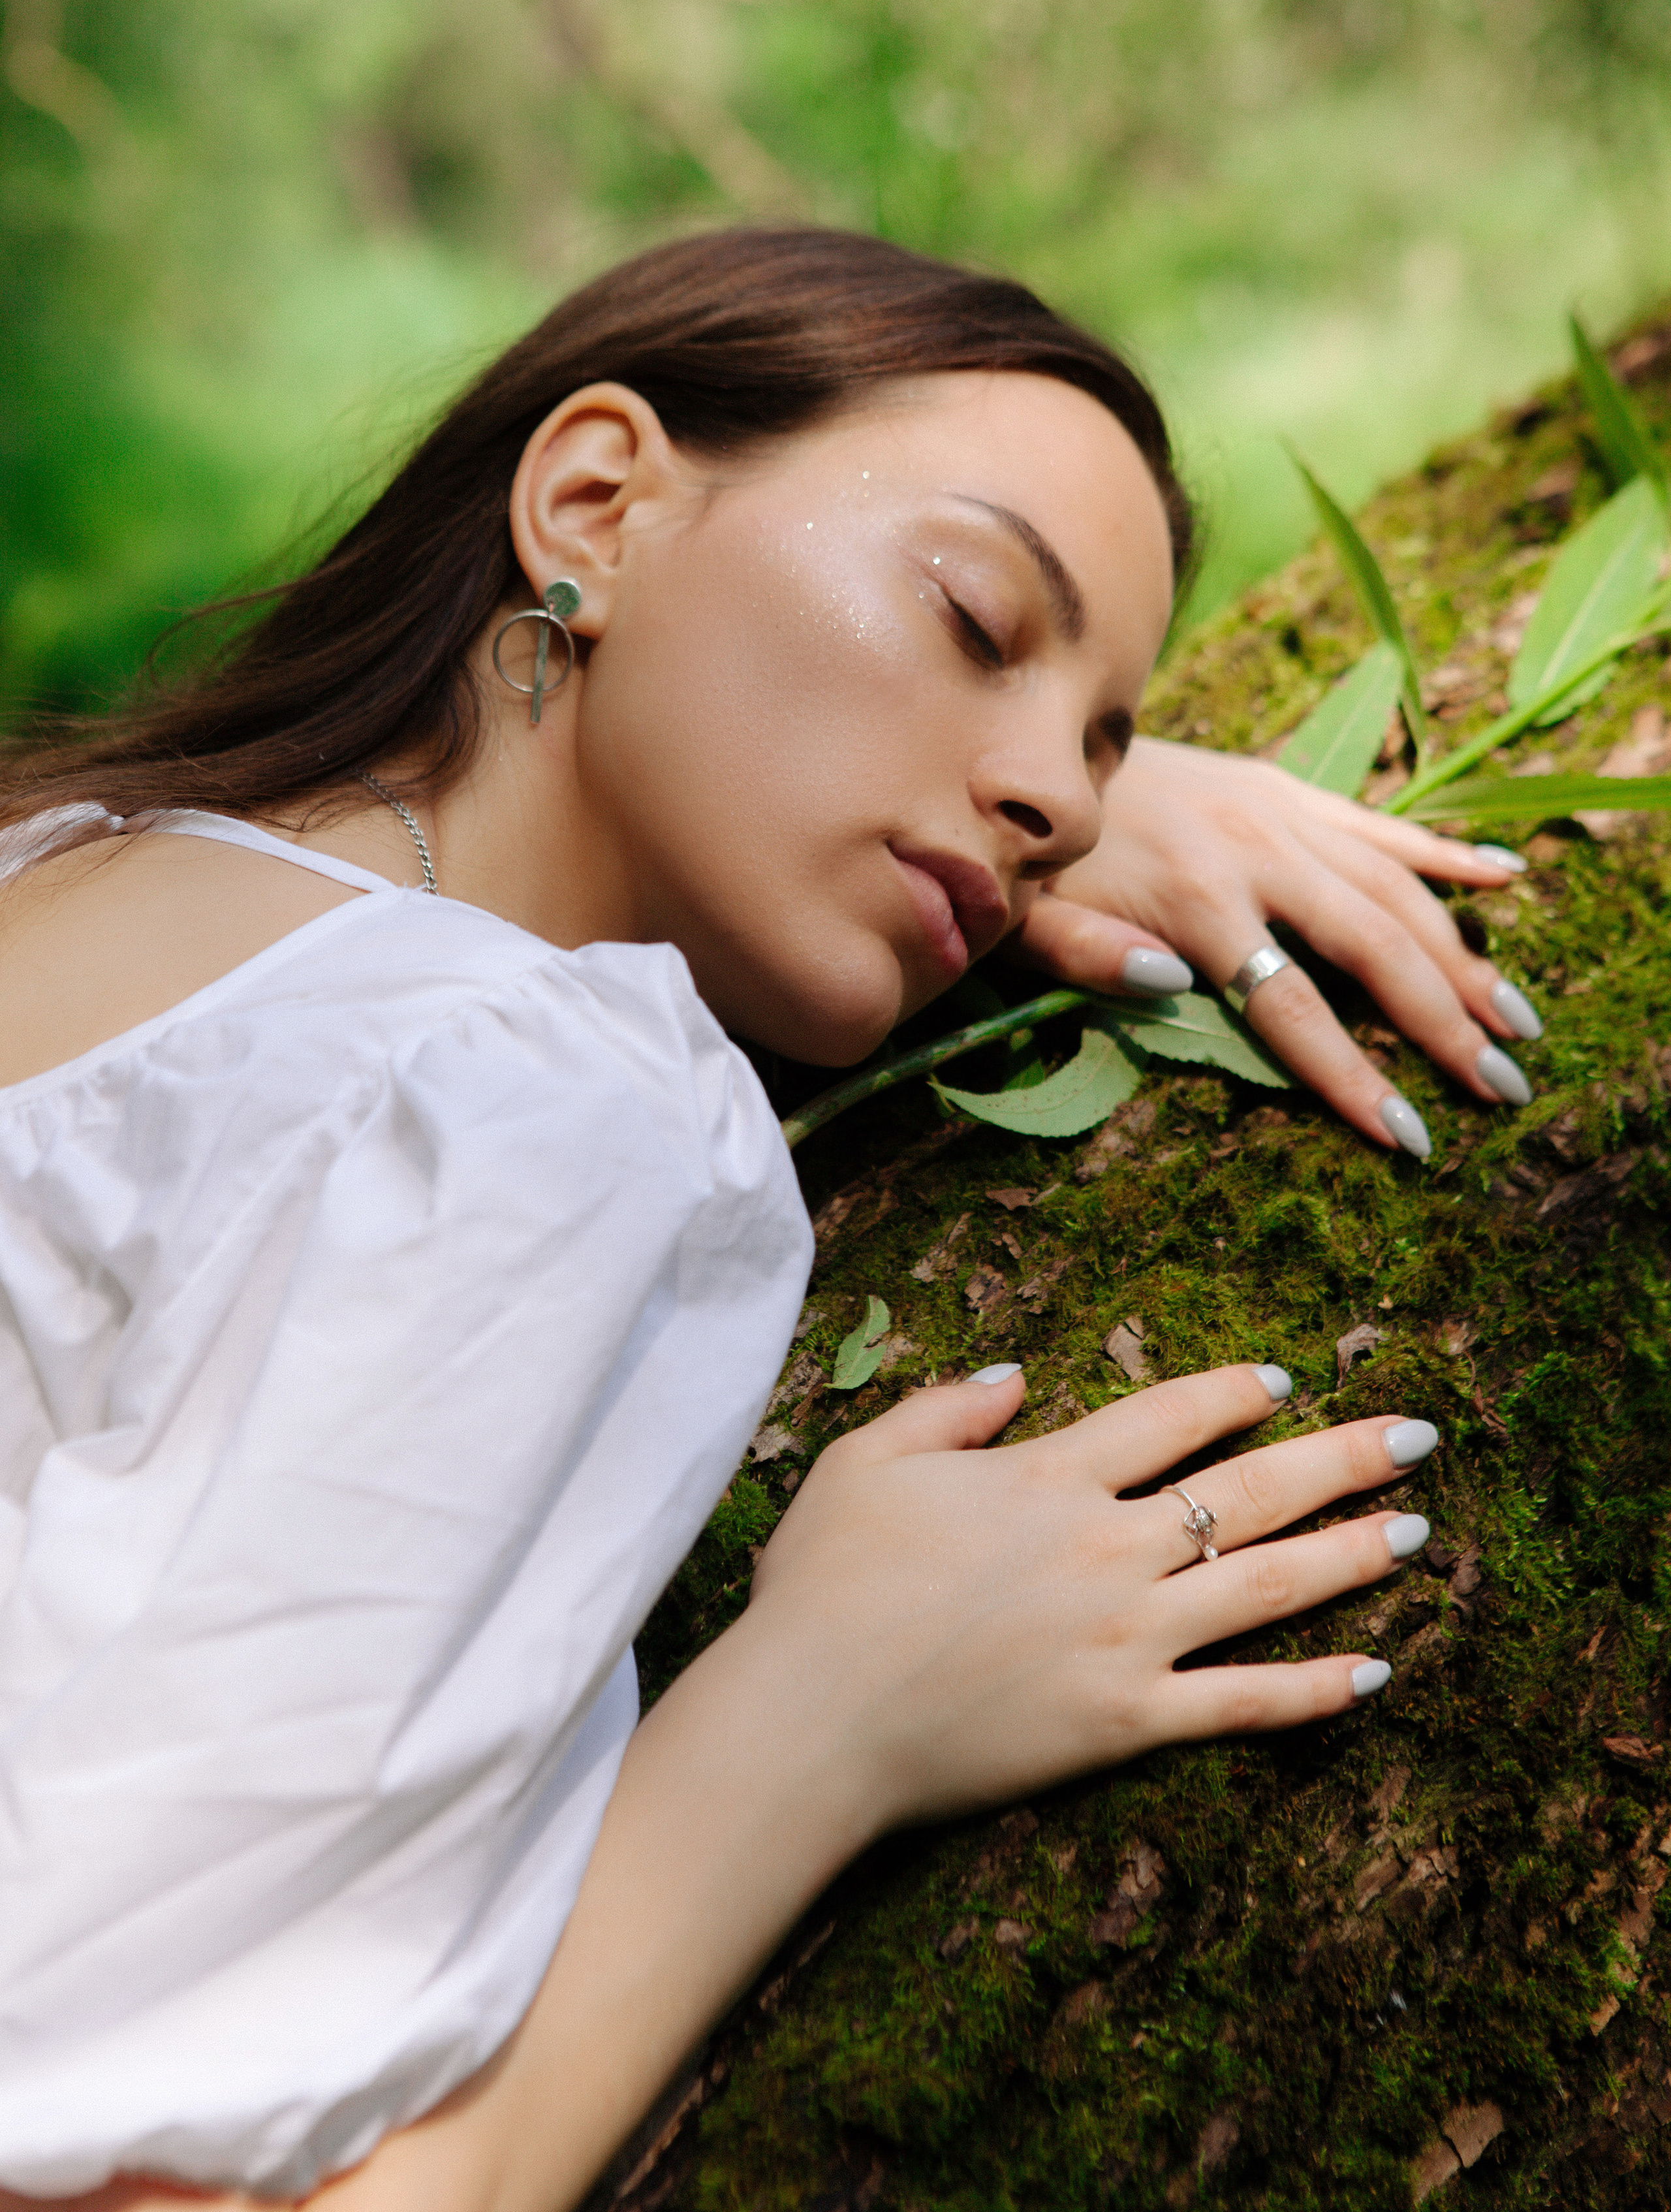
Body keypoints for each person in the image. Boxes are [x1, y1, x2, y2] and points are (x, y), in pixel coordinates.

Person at [0, 230, 1540, 2212]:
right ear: (594, 503)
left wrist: (986, 772)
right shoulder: (530, 1107)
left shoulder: (71, 866)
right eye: (980, 615)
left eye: (1100, 745)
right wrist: (826, 1715)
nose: (1057, 805)